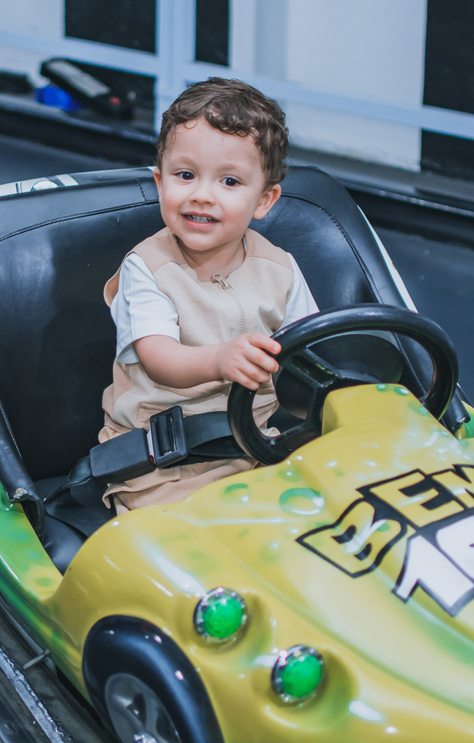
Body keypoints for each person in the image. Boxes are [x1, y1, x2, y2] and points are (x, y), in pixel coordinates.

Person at [99, 78, 319, 512]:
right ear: (160, 182)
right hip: (165, 462)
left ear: (265, 199)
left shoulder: (281, 269)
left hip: (258, 445)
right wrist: (220, 360)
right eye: (185, 175)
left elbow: (310, 351)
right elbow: (158, 358)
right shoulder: (148, 268)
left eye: (230, 181)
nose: (202, 194)